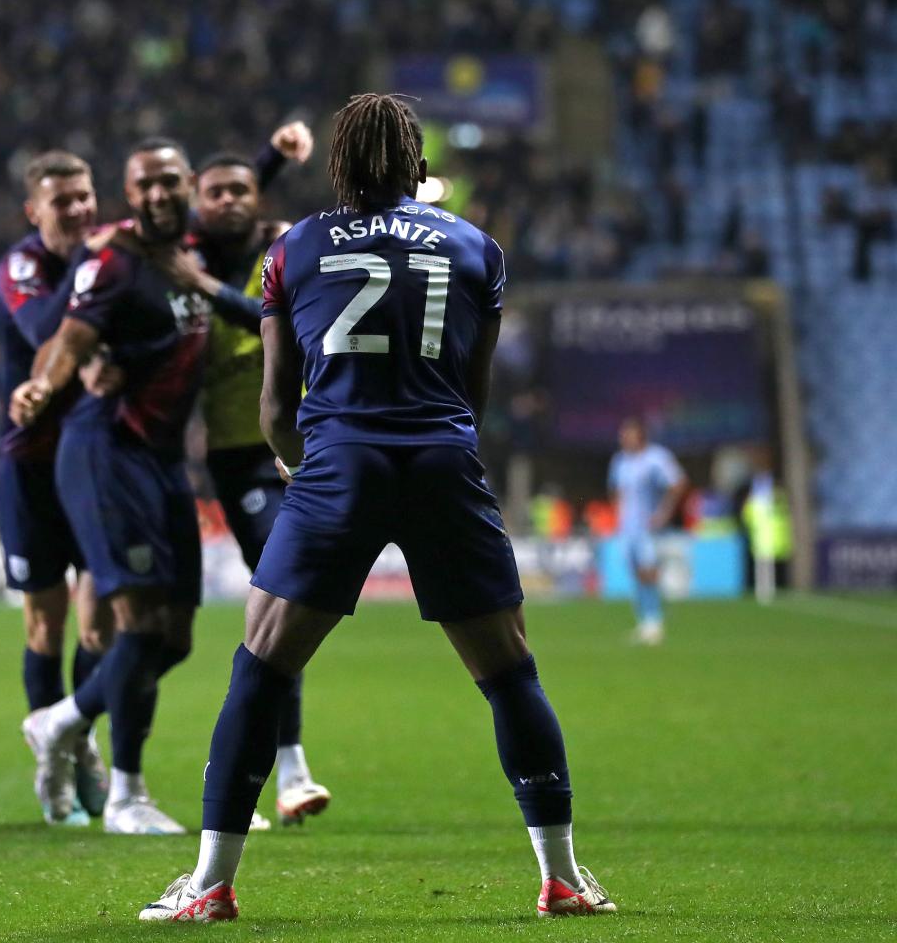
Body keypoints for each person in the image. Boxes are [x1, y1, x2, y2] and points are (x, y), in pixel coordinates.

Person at [140, 94, 616, 922]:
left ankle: (211, 886)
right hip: (442, 460)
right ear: (420, 167)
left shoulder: (292, 248)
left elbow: (276, 400)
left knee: (260, 666)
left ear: (338, 166)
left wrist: (297, 461)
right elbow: (475, 387)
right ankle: (564, 877)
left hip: (340, 465)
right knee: (509, 674)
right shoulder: (476, 248)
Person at [11, 139, 210, 835]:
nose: (156, 195)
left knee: (177, 636)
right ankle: (126, 795)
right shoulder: (113, 259)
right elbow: (68, 338)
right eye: (142, 185)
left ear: (188, 183)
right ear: (129, 193)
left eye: (168, 182)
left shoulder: (194, 256)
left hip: (161, 462)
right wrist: (44, 384)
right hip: (106, 451)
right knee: (137, 624)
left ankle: (62, 719)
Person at [154, 151, 331, 826]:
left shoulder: (283, 250)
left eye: (241, 190)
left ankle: (276, 769)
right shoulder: (184, 253)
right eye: (214, 191)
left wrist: (198, 282)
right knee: (282, 592)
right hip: (238, 456)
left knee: (284, 597)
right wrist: (269, 160)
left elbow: (248, 308)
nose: (228, 199)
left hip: (296, 446)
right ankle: (283, 768)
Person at [0, 150, 117, 824]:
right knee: (45, 622)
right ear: (32, 212)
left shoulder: (111, 253)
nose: (75, 210)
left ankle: (76, 734)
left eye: (83, 196)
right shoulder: (21, 267)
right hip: (32, 465)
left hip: (98, 458)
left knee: (101, 621)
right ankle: (56, 756)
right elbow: (44, 329)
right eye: (60, 200)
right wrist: (96, 265)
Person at [608, 417, 687, 645]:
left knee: (648, 570)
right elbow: (616, 490)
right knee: (635, 572)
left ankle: (655, 621)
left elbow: (678, 483)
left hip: (647, 527)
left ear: (640, 436)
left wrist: (663, 512)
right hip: (626, 527)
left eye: (629, 434)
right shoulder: (620, 461)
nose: (624, 439)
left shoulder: (656, 458)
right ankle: (645, 621)